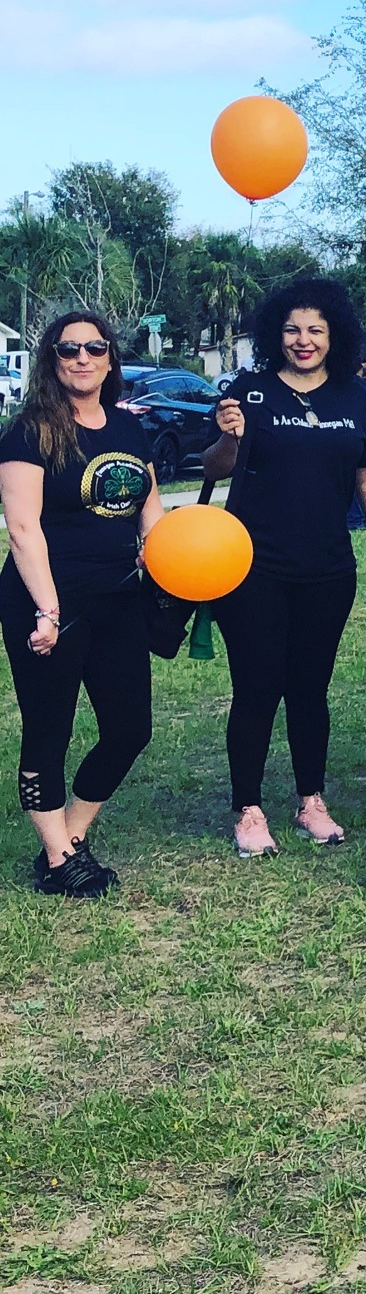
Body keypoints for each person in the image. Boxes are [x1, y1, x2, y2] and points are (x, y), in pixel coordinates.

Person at [203, 278, 366, 857]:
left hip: (328, 568)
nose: (302, 340)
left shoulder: (353, 396)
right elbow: (214, 466)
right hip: (252, 568)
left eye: (315, 329)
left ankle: (311, 800)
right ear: (274, 335)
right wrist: (229, 436)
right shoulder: (250, 390)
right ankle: (249, 809)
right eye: (291, 329)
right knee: (257, 688)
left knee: (311, 689)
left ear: (335, 335)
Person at [0, 311, 163, 897]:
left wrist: (163, 555)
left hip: (119, 599)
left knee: (129, 728)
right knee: (49, 728)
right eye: (68, 349)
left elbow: (150, 507)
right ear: (52, 358)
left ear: (110, 359)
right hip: (47, 601)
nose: (82, 357)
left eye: (94, 347)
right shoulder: (30, 431)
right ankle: (58, 856)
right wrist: (47, 609)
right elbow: (22, 527)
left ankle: (69, 837)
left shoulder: (128, 428)